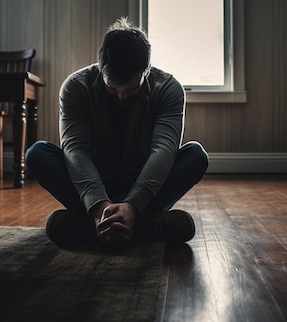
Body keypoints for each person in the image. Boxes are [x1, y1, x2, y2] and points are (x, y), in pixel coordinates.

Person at [25, 17, 208, 247]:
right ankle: (141, 225)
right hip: (92, 181)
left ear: (147, 70)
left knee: (196, 156)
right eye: (112, 87)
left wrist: (133, 205)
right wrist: (99, 205)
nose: (121, 96)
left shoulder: (169, 89)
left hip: (146, 182)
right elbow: (76, 151)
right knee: (36, 154)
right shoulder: (75, 87)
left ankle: (90, 224)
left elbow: (163, 151)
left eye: (132, 88)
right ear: (101, 69)